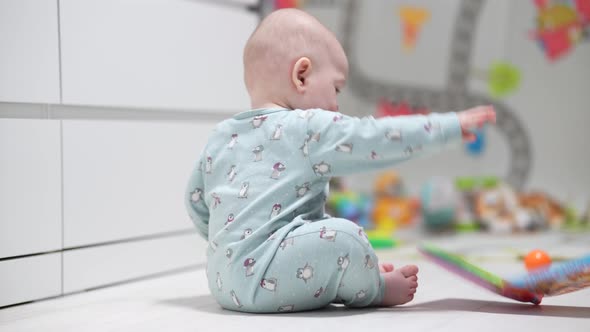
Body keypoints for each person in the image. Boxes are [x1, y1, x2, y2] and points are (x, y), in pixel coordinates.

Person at [185, 8, 496, 313]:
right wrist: (448, 127)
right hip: (268, 279)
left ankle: (347, 273)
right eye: (335, 88)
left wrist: (231, 247)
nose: (336, 104)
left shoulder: (222, 135)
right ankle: (374, 287)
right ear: (301, 75)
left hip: (222, 284)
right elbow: (377, 137)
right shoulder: (306, 127)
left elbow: (196, 201)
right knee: (346, 236)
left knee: (324, 237)